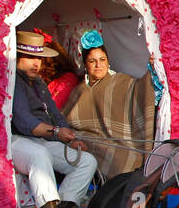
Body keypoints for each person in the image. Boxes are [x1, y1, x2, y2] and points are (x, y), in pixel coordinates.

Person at [10, 30, 99, 208]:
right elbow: (24, 122)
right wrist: (58, 133)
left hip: (40, 139)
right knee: (39, 155)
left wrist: (71, 137)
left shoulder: (39, 83)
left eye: (38, 58)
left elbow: (55, 114)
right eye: (30, 58)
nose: (36, 63)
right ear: (18, 57)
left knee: (87, 161)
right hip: (13, 140)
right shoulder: (11, 79)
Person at [64, 29, 158, 179]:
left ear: (108, 61)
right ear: (85, 64)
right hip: (88, 140)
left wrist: (151, 70)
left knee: (131, 157)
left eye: (102, 59)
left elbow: (141, 89)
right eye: (92, 61)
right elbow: (66, 120)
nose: (98, 65)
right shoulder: (79, 89)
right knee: (115, 159)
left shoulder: (121, 81)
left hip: (123, 140)